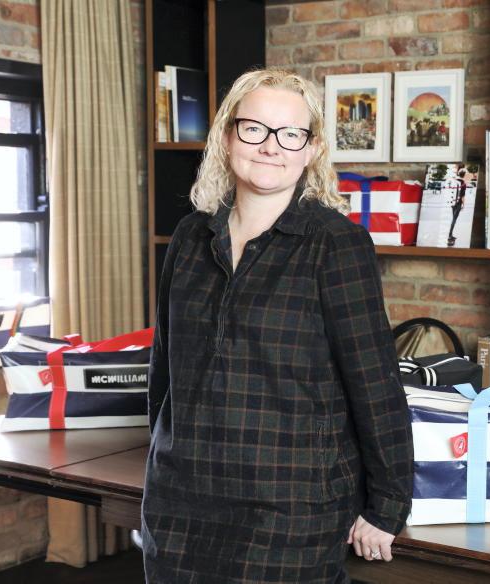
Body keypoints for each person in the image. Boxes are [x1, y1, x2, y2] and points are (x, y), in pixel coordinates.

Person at [142, 68, 414, 583]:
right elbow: (164, 370)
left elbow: (376, 385)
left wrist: (388, 504)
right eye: (254, 129)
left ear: (312, 150)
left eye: (291, 134)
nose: (271, 146)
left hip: (289, 509)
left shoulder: (336, 244)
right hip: (180, 506)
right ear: (227, 136)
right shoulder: (189, 236)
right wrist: (161, 455)